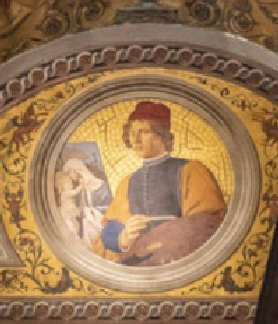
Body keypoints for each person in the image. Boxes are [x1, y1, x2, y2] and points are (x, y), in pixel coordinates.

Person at [94, 102, 227, 266]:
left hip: (179, 264)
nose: (135, 139)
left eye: (143, 132)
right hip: (138, 268)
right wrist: (123, 238)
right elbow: (110, 229)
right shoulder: (128, 182)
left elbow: (206, 222)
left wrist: (149, 242)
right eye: (132, 132)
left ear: (161, 135)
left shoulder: (191, 170)